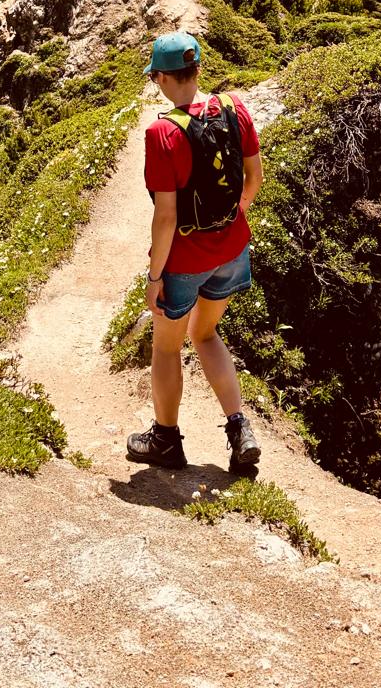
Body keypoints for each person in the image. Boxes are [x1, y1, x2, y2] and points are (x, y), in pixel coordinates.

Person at [125, 30, 264, 474]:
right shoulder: (234, 108)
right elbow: (253, 178)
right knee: (205, 334)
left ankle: (165, 440)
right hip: (232, 249)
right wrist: (232, 217)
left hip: (185, 260)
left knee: (167, 347)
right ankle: (239, 427)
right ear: (199, 70)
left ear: (163, 79)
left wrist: (154, 276)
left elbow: (166, 217)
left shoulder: (162, 134)